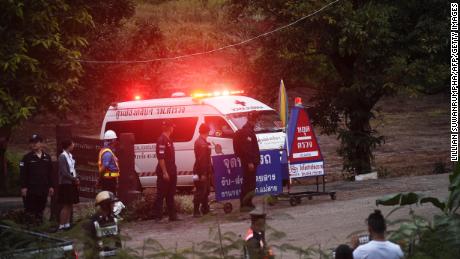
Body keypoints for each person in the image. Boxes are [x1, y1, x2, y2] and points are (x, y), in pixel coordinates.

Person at [19, 134, 54, 223]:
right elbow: (23, 174)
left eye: (36, 142)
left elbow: (50, 173)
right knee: (30, 211)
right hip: (31, 190)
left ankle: (39, 230)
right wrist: (23, 187)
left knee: (40, 210)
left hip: (43, 189)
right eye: (32, 142)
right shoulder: (26, 158)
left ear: (41, 143)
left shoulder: (47, 157)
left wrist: (51, 186)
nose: (34, 144)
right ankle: (30, 231)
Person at [153, 120, 180, 221]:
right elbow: (161, 158)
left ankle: (172, 216)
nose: (173, 128)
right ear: (169, 128)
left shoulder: (169, 139)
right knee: (161, 194)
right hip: (165, 172)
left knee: (170, 194)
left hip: (172, 170)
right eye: (172, 127)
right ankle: (158, 217)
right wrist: (164, 172)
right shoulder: (161, 140)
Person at [233, 112, 260, 211]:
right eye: (256, 121)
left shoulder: (248, 130)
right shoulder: (247, 131)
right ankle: (245, 204)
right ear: (252, 121)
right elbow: (247, 149)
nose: (256, 123)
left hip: (250, 162)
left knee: (249, 183)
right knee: (248, 184)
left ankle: (248, 203)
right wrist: (250, 162)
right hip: (249, 163)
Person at [84, 191, 122, 258]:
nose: (114, 205)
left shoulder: (114, 220)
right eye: (112, 203)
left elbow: (118, 243)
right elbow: (88, 246)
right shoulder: (93, 222)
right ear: (105, 205)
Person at [57, 139, 79, 231]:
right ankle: (61, 225)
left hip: (72, 183)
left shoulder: (70, 156)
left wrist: (76, 177)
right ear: (69, 145)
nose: (73, 145)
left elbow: (73, 169)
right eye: (72, 143)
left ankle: (67, 224)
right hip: (66, 183)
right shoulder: (62, 156)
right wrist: (74, 179)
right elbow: (64, 172)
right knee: (66, 205)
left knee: (70, 204)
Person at [193, 123, 212, 217]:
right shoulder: (201, 143)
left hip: (203, 171)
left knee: (206, 191)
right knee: (201, 191)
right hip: (201, 171)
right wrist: (203, 173)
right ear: (207, 131)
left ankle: (205, 209)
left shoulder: (203, 142)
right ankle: (196, 211)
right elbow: (202, 160)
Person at [97, 130, 120, 195]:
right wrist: (99, 179)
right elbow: (104, 167)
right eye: (115, 140)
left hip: (110, 179)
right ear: (112, 141)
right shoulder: (107, 153)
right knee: (109, 197)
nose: (116, 142)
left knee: (110, 196)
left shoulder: (109, 151)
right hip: (108, 180)